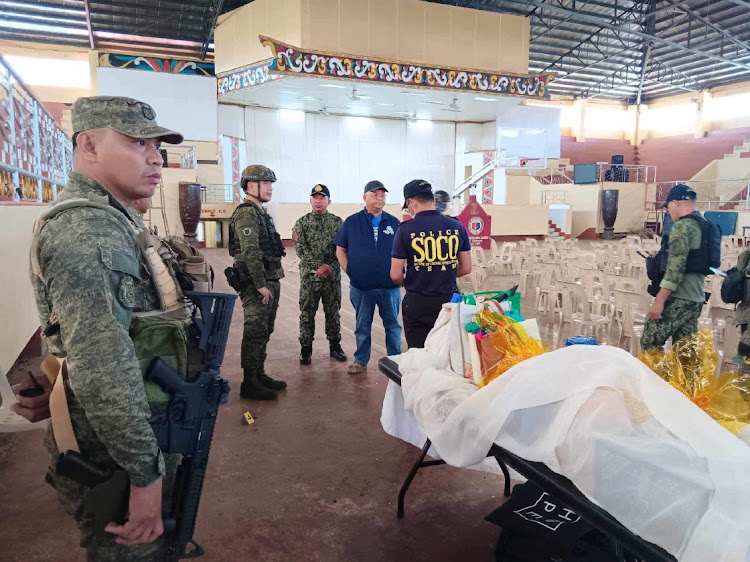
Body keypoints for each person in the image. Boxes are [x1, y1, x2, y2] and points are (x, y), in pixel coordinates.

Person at [23, 96, 185, 560]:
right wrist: (144, 475)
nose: (155, 157)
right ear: (88, 144)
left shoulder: (114, 220)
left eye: (157, 145)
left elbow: (88, 336)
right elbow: (102, 363)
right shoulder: (86, 230)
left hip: (121, 432)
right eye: (137, 142)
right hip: (111, 456)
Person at [228, 164, 287, 400]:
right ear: (251, 185)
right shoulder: (247, 213)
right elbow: (250, 251)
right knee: (254, 330)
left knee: (265, 329)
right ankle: (249, 382)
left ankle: (259, 373)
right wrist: (260, 284)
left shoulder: (261, 212)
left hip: (270, 278)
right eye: (266, 183)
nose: (271, 188)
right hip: (257, 283)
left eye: (271, 183)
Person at [391, 180, 472, 348]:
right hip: (449, 301)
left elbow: (395, 274)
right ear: (433, 200)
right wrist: (442, 272)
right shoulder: (456, 226)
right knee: (448, 352)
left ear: (411, 202)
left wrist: (409, 280)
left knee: (419, 354)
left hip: (418, 302)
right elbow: (466, 268)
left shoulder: (405, 230)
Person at [334, 180, 402, 374]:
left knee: (393, 326)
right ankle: (361, 360)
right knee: (362, 326)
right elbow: (340, 249)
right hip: (361, 287)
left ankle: (395, 358)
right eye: (374, 194)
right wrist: (350, 271)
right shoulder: (352, 221)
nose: (379, 198)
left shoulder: (394, 222)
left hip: (389, 287)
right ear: (365, 197)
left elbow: (404, 252)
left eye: (382, 195)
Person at [642, 184, 707, 351]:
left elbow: (676, 268)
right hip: (696, 297)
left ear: (676, 202)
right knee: (685, 352)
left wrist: (660, 300)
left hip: (678, 297)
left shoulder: (682, 227)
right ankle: (684, 378)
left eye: (668, 206)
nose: (668, 211)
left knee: (650, 342)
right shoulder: (704, 225)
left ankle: (653, 378)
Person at [292, 184, 348, 365]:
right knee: (307, 314)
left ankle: (335, 346)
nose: (318, 201)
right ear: (310, 200)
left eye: (322, 197)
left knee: (333, 312)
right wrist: (318, 266)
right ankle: (306, 349)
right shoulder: (301, 223)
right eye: (315, 197)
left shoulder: (338, 223)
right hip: (309, 278)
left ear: (329, 201)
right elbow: (300, 249)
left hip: (331, 277)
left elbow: (342, 248)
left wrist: (328, 266)